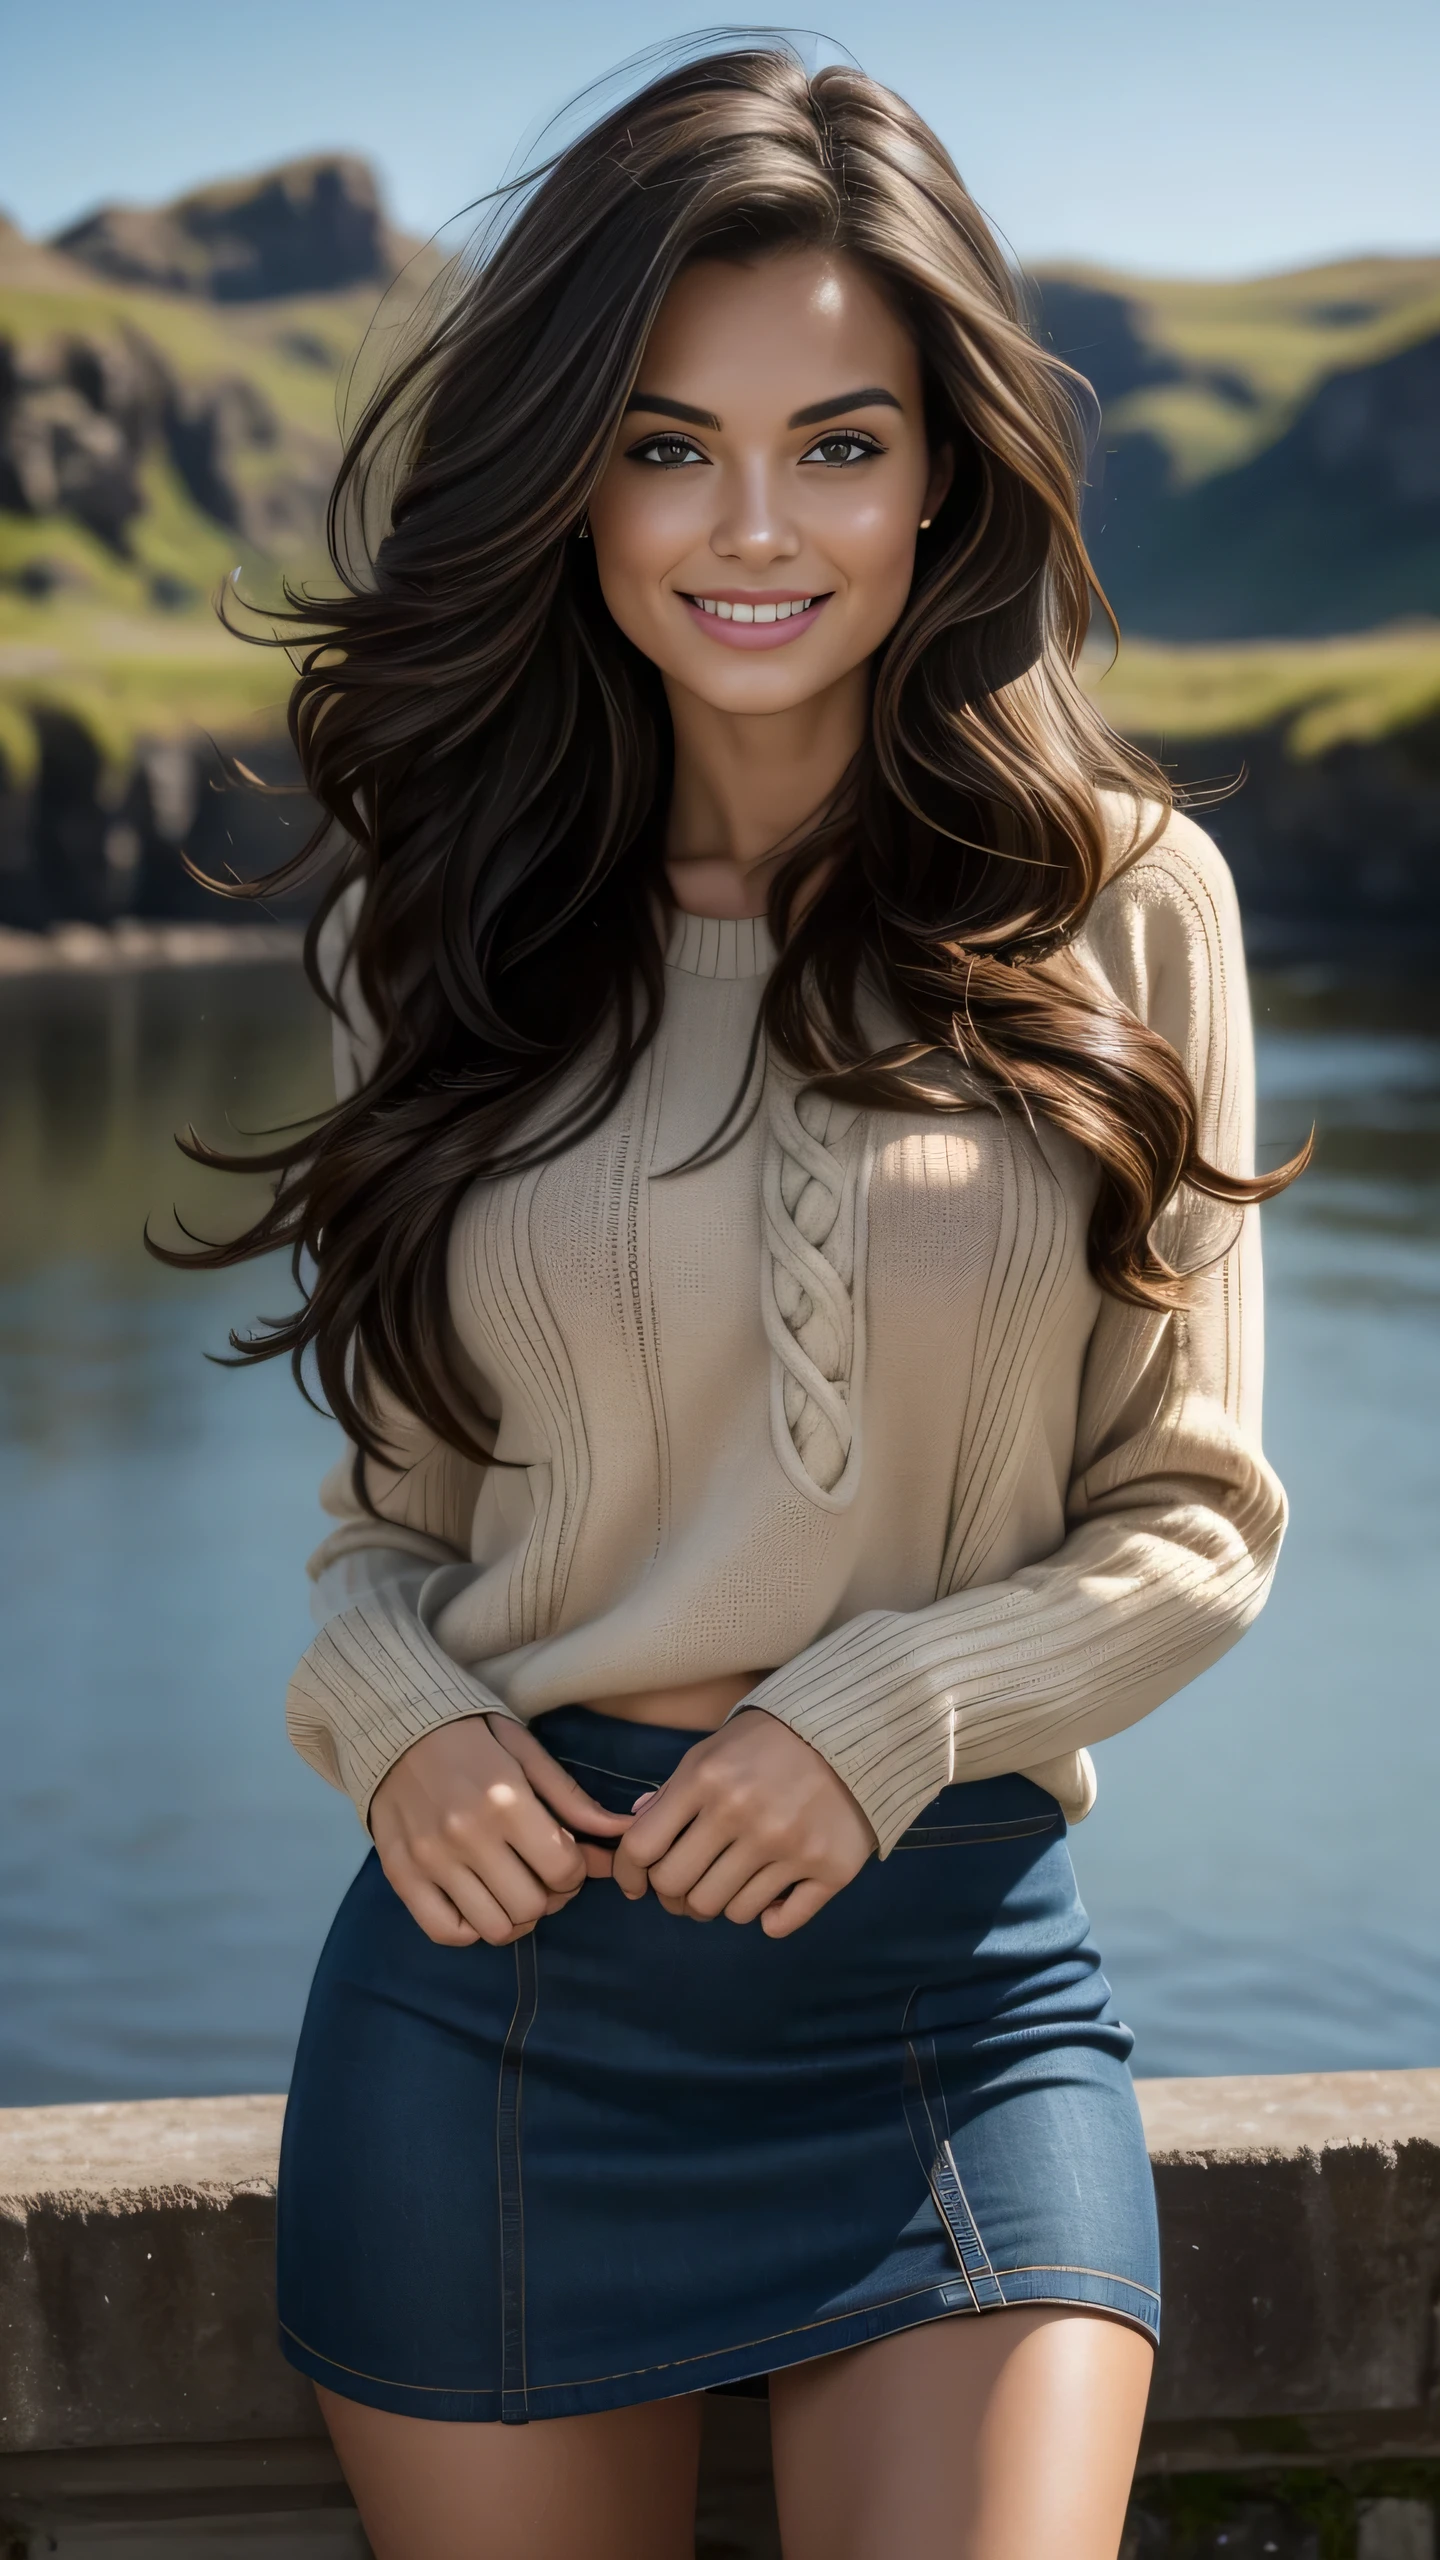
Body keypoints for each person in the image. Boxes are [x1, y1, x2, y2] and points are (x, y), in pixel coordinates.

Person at [173, 43, 1300, 2560]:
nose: (754, 526)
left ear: (948, 467)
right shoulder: (430, 926)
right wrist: (399, 1723)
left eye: (842, 441)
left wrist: (885, 1708)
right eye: (668, 444)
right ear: (571, 471)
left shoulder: (1129, 904)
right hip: (503, 2006)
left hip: (952, 1980)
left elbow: (1200, 1516)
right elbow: (390, 1532)